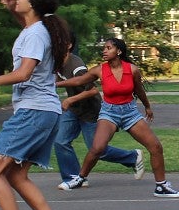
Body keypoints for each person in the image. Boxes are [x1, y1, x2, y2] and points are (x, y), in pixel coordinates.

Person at [0, 0, 70, 210]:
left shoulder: (37, 33)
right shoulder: (37, 29)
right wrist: (11, 9)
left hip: (34, 112)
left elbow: (24, 73)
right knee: (16, 175)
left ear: (33, 3)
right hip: (46, 112)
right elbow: (29, 28)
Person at [56, 38, 179, 197]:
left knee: (156, 147)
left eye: (108, 48)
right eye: (104, 48)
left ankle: (161, 186)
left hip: (130, 113)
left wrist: (147, 106)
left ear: (119, 51)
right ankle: (80, 178)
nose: (104, 51)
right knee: (97, 148)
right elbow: (80, 80)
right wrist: (55, 84)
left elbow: (139, 90)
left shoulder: (132, 69)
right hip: (109, 112)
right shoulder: (99, 70)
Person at [51, 37, 146, 191]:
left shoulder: (76, 66)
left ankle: (132, 157)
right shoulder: (58, 63)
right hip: (74, 110)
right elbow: (57, 78)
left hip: (91, 111)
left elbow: (93, 90)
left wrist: (70, 99)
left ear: (68, 45)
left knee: (97, 150)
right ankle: (74, 177)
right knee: (60, 141)